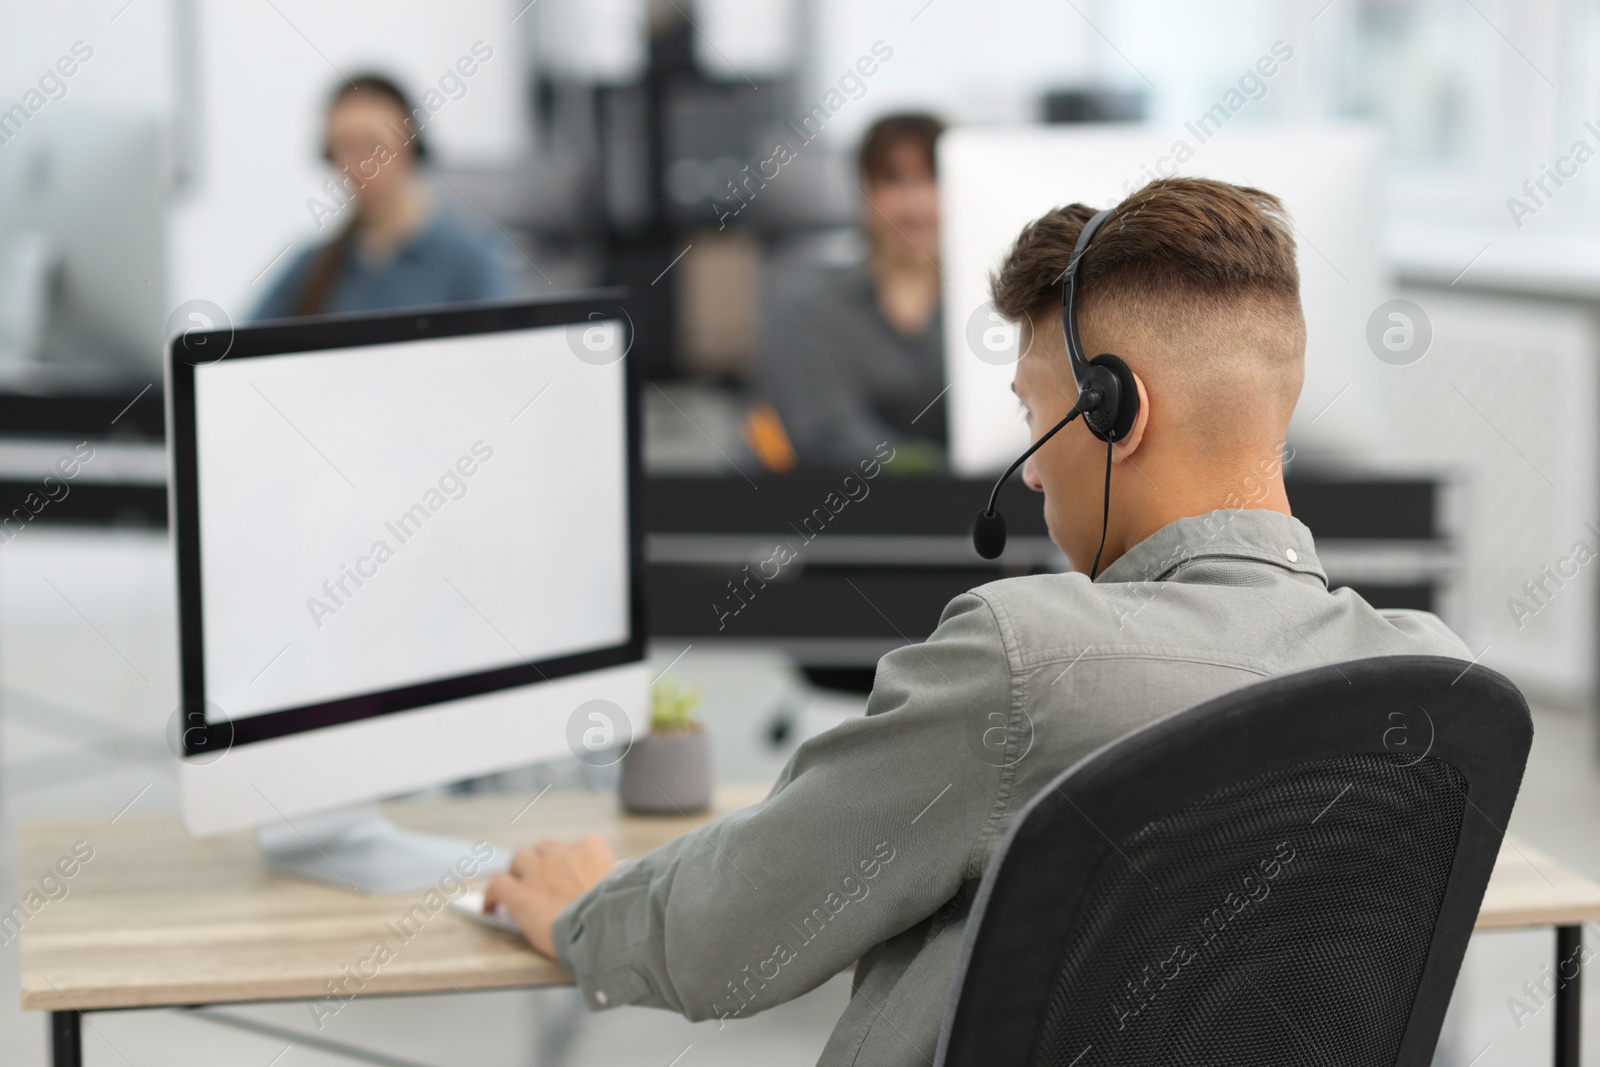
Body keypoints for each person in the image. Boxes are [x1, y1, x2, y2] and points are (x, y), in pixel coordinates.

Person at [483, 178, 1471, 1066]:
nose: (1030, 469)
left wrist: (584, 909)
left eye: (1033, 418)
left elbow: (731, 939)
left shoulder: (1026, 661)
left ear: (1112, 412)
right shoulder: (1435, 690)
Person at [754, 114, 946, 470]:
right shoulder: (807, 302)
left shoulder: (993, 309)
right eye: (894, 181)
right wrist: (939, 470)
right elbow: (827, 434)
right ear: (863, 193)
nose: (915, 206)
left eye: (932, 180)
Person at [252, 75, 510, 322]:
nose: (362, 164)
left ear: (410, 147)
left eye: (374, 145)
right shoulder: (313, 266)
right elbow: (241, 346)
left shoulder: (471, 261)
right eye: (345, 145)